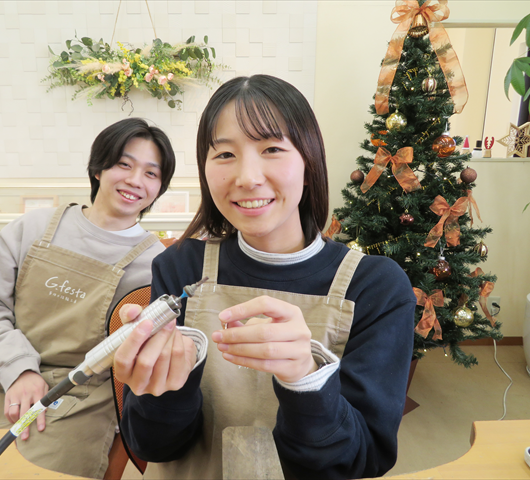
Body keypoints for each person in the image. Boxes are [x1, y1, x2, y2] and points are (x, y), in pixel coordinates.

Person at [113, 75, 417, 480]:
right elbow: (153, 445)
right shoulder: (180, 267)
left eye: (272, 148)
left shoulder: (377, 287)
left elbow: (363, 459)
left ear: (309, 164)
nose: (247, 177)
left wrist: (306, 379)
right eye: (224, 155)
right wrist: (160, 387)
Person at [0, 118, 176, 479]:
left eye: (151, 174)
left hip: (78, 403)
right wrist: (20, 371)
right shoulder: (32, 228)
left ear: (159, 188)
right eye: (124, 164)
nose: (136, 180)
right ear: (98, 168)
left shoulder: (154, 264)